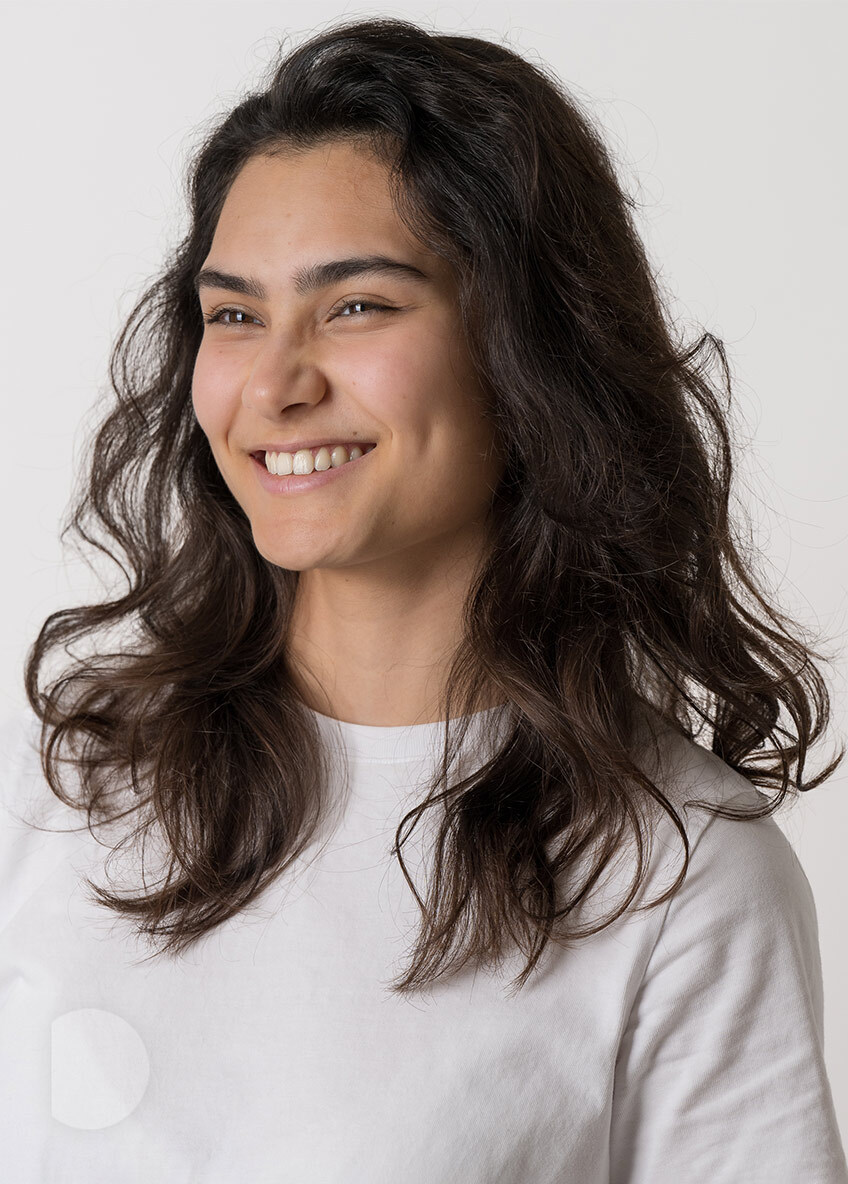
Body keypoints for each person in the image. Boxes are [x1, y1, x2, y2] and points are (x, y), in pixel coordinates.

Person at [1, 15, 846, 1183]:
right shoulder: (60, 782)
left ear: (524, 348)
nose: (274, 383)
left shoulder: (677, 874)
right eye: (234, 314)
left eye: (356, 305)